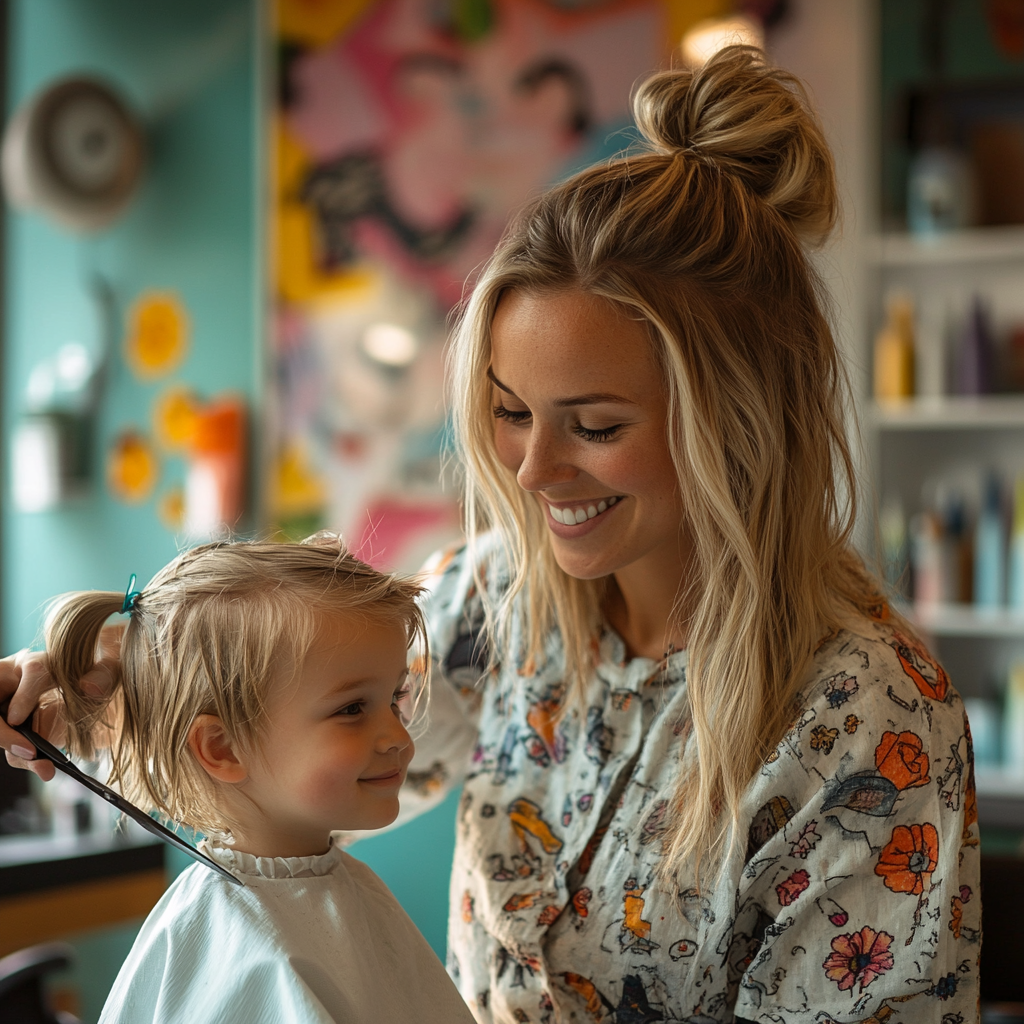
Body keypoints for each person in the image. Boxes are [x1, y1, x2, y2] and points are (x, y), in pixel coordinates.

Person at [2, 47, 979, 1023]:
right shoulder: (499, 597)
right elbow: (277, 732)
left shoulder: (868, 726)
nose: (530, 469)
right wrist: (92, 696)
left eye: (594, 427)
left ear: (741, 421)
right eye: (510, 411)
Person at [8, 536, 477, 1024]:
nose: (398, 735)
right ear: (222, 748)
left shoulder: (341, 891)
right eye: (352, 708)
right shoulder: (239, 940)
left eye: (395, 697)